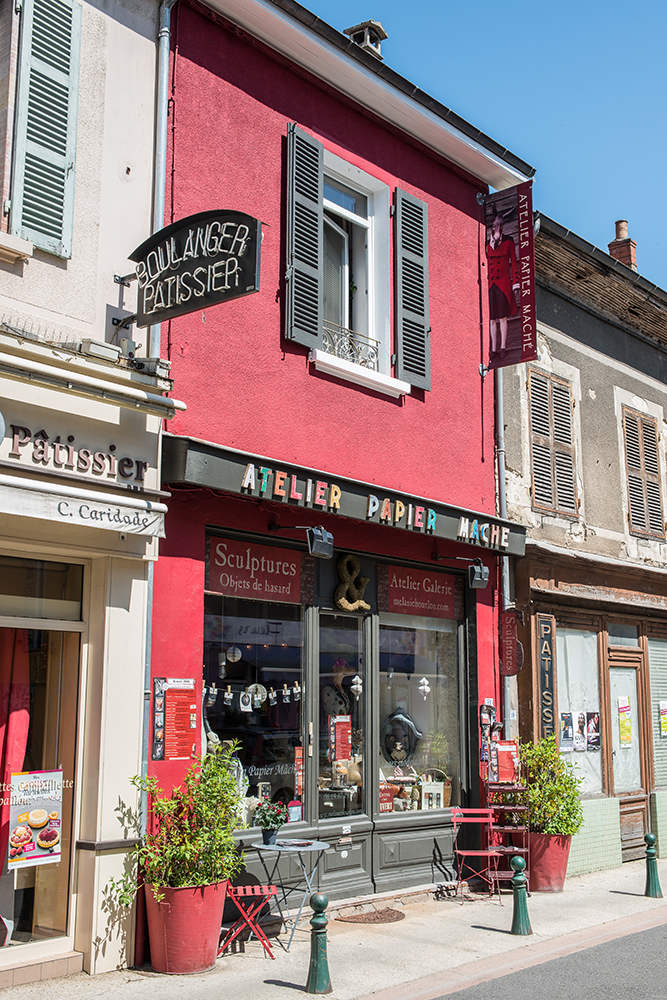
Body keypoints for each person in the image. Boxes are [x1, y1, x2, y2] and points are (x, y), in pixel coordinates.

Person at [486, 211, 519, 359]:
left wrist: (515, 283)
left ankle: (503, 346)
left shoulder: (509, 241)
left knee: (502, 318)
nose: (496, 229)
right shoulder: (488, 244)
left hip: (503, 283)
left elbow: (514, 263)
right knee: (492, 318)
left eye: (499, 226)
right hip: (491, 283)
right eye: (494, 226)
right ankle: (493, 348)